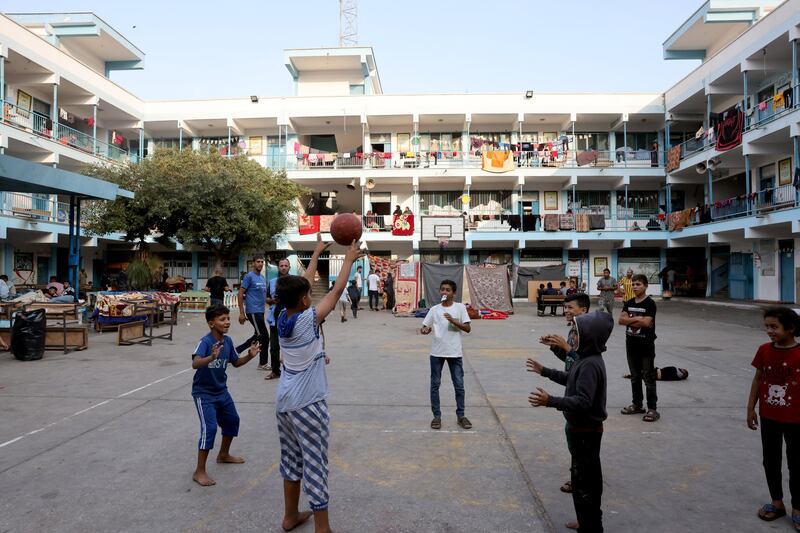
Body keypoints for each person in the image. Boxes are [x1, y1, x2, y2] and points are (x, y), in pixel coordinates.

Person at [274, 234, 363, 533]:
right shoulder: (307, 319)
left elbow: (303, 283)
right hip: (307, 404)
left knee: (291, 460)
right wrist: (348, 259)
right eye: (307, 293)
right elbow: (336, 292)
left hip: (284, 403)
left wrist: (315, 254)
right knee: (315, 464)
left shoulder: (280, 316)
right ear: (304, 300)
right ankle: (322, 528)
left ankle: (290, 516)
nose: (310, 293)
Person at [528, 311, 614, 533]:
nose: (571, 337)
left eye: (575, 332)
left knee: (587, 485)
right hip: (579, 431)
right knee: (580, 481)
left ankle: (592, 526)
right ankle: (585, 520)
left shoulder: (591, 365)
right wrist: (544, 371)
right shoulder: (583, 359)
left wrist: (551, 401)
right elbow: (569, 378)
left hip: (587, 433)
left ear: (590, 336)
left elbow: (584, 402)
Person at [190, 304, 260, 487]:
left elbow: (236, 362)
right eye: (222, 319)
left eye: (228, 318)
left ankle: (223, 454)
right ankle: (199, 471)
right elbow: (195, 363)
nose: (227, 322)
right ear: (211, 323)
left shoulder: (227, 342)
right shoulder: (205, 342)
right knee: (210, 428)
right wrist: (211, 358)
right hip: (203, 393)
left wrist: (250, 356)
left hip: (221, 391)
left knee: (232, 421)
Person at [537, 292, 591, 528]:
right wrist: (555, 348)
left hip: (581, 406)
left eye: (570, 308)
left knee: (583, 451)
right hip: (571, 398)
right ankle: (576, 479)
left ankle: (582, 485)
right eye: (565, 308)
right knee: (573, 446)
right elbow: (570, 365)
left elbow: (583, 362)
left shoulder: (587, 336)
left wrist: (567, 348)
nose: (567, 311)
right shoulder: (572, 332)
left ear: (584, 311)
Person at [747, 307, 800, 527]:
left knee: (797, 463)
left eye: (774, 327)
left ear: (790, 328)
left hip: (796, 419)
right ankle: (777, 503)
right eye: (767, 326)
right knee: (771, 460)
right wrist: (751, 408)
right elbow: (758, 379)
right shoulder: (764, 350)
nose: (769, 331)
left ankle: (798, 508)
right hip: (769, 417)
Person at [421, 279, 472, 430]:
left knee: (459, 386)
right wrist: (425, 330)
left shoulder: (460, 308)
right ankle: (436, 416)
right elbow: (424, 327)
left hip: (455, 353)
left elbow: (468, 328)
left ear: (454, 293)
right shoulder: (434, 309)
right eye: (442, 289)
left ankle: (461, 416)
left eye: (448, 290)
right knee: (435, 385)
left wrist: (453, 321)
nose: (444, 292)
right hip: (437, 353)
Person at [619, 274, 659, 422]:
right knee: (635, 377)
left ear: (646, 286)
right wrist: (637, 319)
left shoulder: (650, 304)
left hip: (646, 346)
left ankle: (652, 409)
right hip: (631, 345)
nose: (635, 287)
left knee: (648, 377)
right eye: (633, 284)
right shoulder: (628, 302)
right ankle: (637, 404)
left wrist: (630, 321)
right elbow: (620, 320)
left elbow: (647, 323)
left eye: (638, 284)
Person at [236, 254, 270, 371]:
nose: (260, 264)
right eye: (258, 262)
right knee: (264, 336)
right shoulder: (249, 276)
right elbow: (240, 293)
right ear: (253, 263)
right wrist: (241, 313)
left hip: (260, 311)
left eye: (262, 262)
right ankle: (263, 363)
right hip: (253, 311)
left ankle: (237, 350)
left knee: (257, 335)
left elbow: (263, 296)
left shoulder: (262, 278)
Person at [265, 258, 291, 380]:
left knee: (291, 346)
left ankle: (292, 371)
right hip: (275, 318)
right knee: (274, 347)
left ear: (289, 267)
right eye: (281, 265)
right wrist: (273, 300)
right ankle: (275, 371)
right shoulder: (272, 282)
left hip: (290, 318)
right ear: (278, 267)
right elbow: (267, 299)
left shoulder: (294, 282)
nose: (284, 267)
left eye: (286, 265)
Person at [624, 366, 688, 381]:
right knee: (643, 375)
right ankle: (631, 375)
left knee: (643, 373)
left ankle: (631, 375)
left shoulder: (674, 368)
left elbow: (665, 369)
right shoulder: (677, 377)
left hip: (657, 372)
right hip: (658, 375)